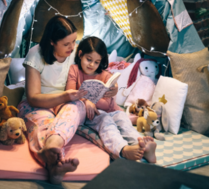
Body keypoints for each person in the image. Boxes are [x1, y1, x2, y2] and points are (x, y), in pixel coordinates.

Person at [17, 16, 118, 184]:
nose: (72, 47)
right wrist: (64, 96)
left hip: (67, 101)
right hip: (38, 104)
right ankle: (53, 161)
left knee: (75, 107)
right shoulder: (36, 54)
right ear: (51, 42)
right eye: (66, 44)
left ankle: (53, 148)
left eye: (74, 41)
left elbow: (95, 69)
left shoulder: (75, 52)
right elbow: (33, 98)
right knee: (42, 123)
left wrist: (111, 88)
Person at [66, 36, 157, 162]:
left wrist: (96, 98)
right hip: (94, 114)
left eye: (97, 62)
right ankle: (123, 149)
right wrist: (86, 101)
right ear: (80, 54)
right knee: (106, 122)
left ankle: (143, 145)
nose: (92, 65)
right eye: (89, 59)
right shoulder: (74, 70)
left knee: (123, 121)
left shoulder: (106, 75)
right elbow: (70, 93)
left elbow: (107, 105)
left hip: (112, 109)